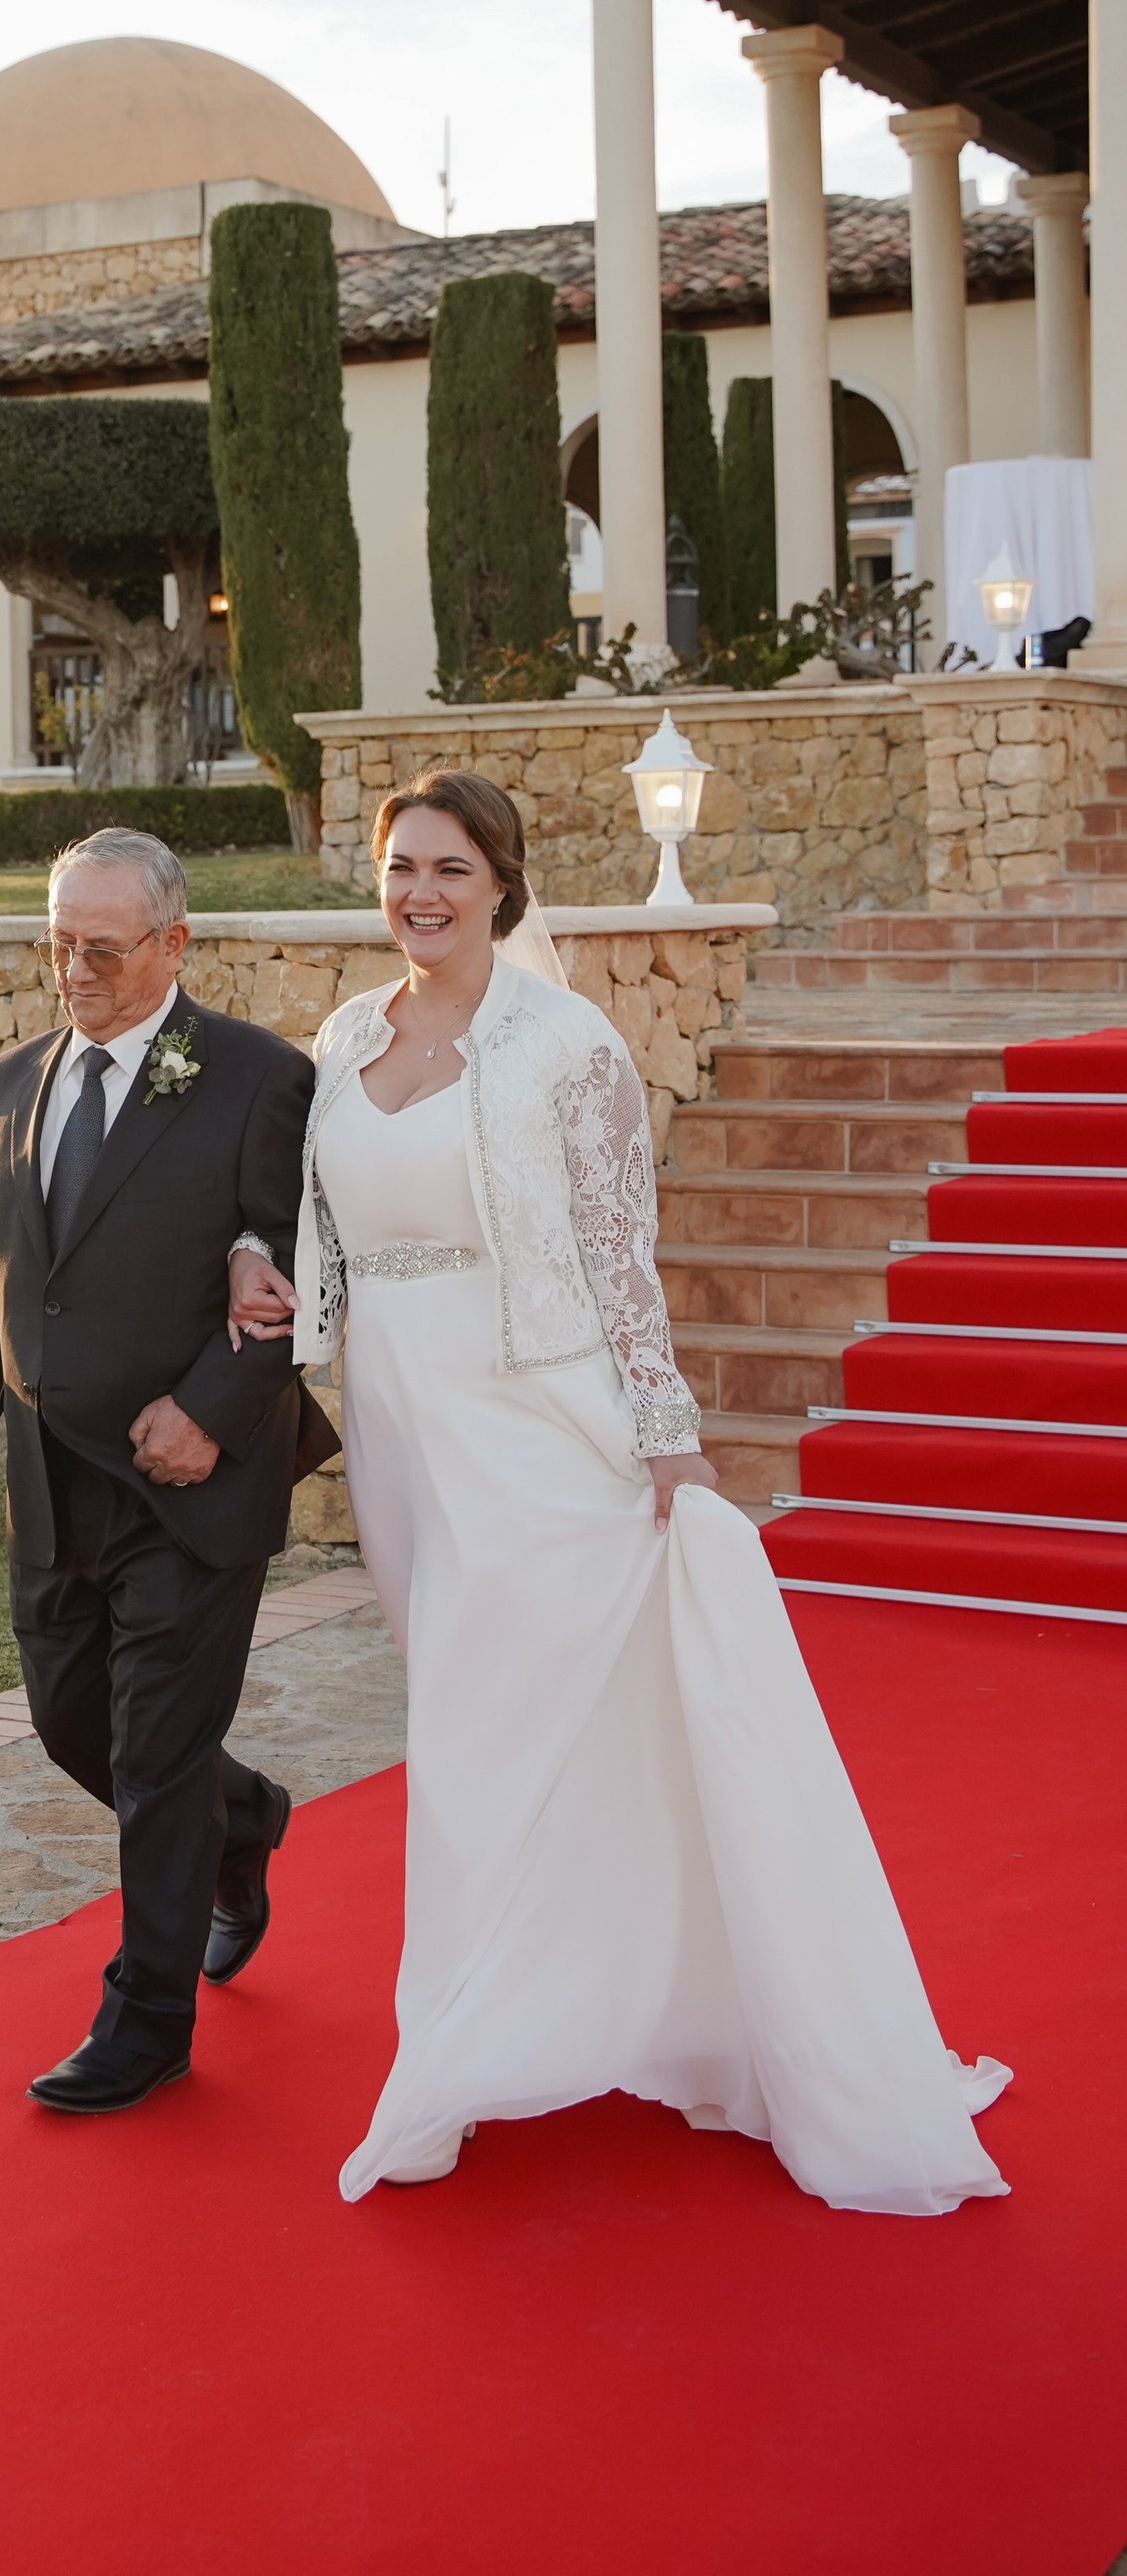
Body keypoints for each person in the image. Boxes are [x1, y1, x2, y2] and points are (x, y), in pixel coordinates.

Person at [227, 769, 1009, 2218]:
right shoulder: (345, 1036)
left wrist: (666, 1434)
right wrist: (261, 1269)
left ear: (503, 885)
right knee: (478, 1717)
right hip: (406, 1433)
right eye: (403, 868)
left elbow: (617, 1251)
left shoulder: (564, 1045)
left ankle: (451, 2059)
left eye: (452, 869)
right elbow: (319, 1219)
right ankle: (571, 2000)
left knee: (477, 1736)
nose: (422, 894)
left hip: (539, 1429)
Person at [0, 827, 327, 2117]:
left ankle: (145, 2020)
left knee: (151, 1751)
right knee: (71, 1724)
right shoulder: (9, 1081)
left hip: (194, 1486)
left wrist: (211, 1406)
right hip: (52, 1480)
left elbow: (299, 1287)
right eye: (58, 944)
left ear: (174, 944)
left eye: (102, 947)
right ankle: (241, 1822)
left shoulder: (258, 1079)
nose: (74, 970)